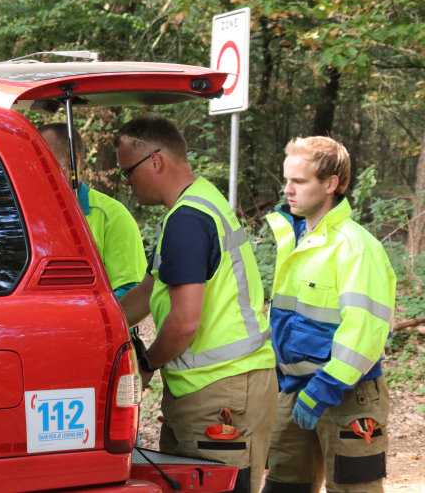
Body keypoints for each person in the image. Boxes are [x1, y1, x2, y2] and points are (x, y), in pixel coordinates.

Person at [116, 114, 276, 493]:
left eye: (128, 172)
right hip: (213, 388)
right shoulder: (197, 202)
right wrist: (102, 323)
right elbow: (147, 290)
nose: (127, 183)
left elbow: (185, 321)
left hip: (222, 392)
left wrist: (147, 362)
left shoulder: (187, 220)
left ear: (155, 161)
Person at [262, 137, 395, 493]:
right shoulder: (296, 239)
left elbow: (364, 332)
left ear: (331, 184)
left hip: (348, 394)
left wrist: (324, 389)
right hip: (295, 391)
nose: (288, 190)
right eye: (286, 179)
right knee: (282, 486)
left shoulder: (355, 247)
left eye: (300, 182)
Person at [38, 123, 145, 299]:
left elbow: (130, 291)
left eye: (44, 161)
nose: (34, 168)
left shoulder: (112, 215)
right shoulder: (26, 214)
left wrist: (78, 319)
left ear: (72, 162)